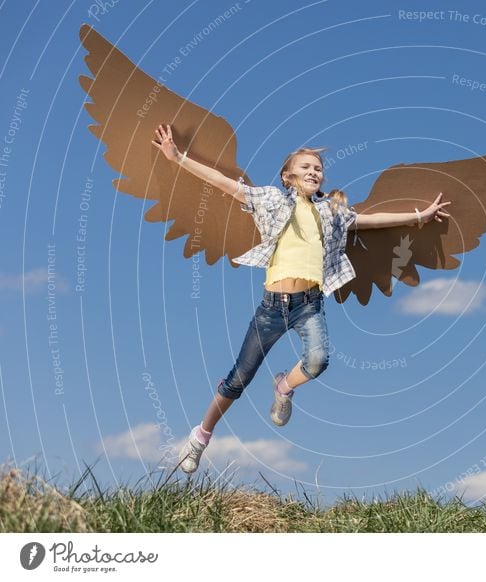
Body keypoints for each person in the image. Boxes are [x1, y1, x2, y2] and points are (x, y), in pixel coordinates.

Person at [150, 124, 451, 473]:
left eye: (318, 168)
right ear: (288, 176)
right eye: (305, 167)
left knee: (319, 360)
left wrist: (419, 217)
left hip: (309, 305)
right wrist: (177, 157)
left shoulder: (331, 213)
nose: (314, 171)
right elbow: (222, 182)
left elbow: (370, 221)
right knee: (238, 378)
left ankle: (284, 386)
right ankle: (200, 437)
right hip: (272, 307)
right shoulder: (271, 200)